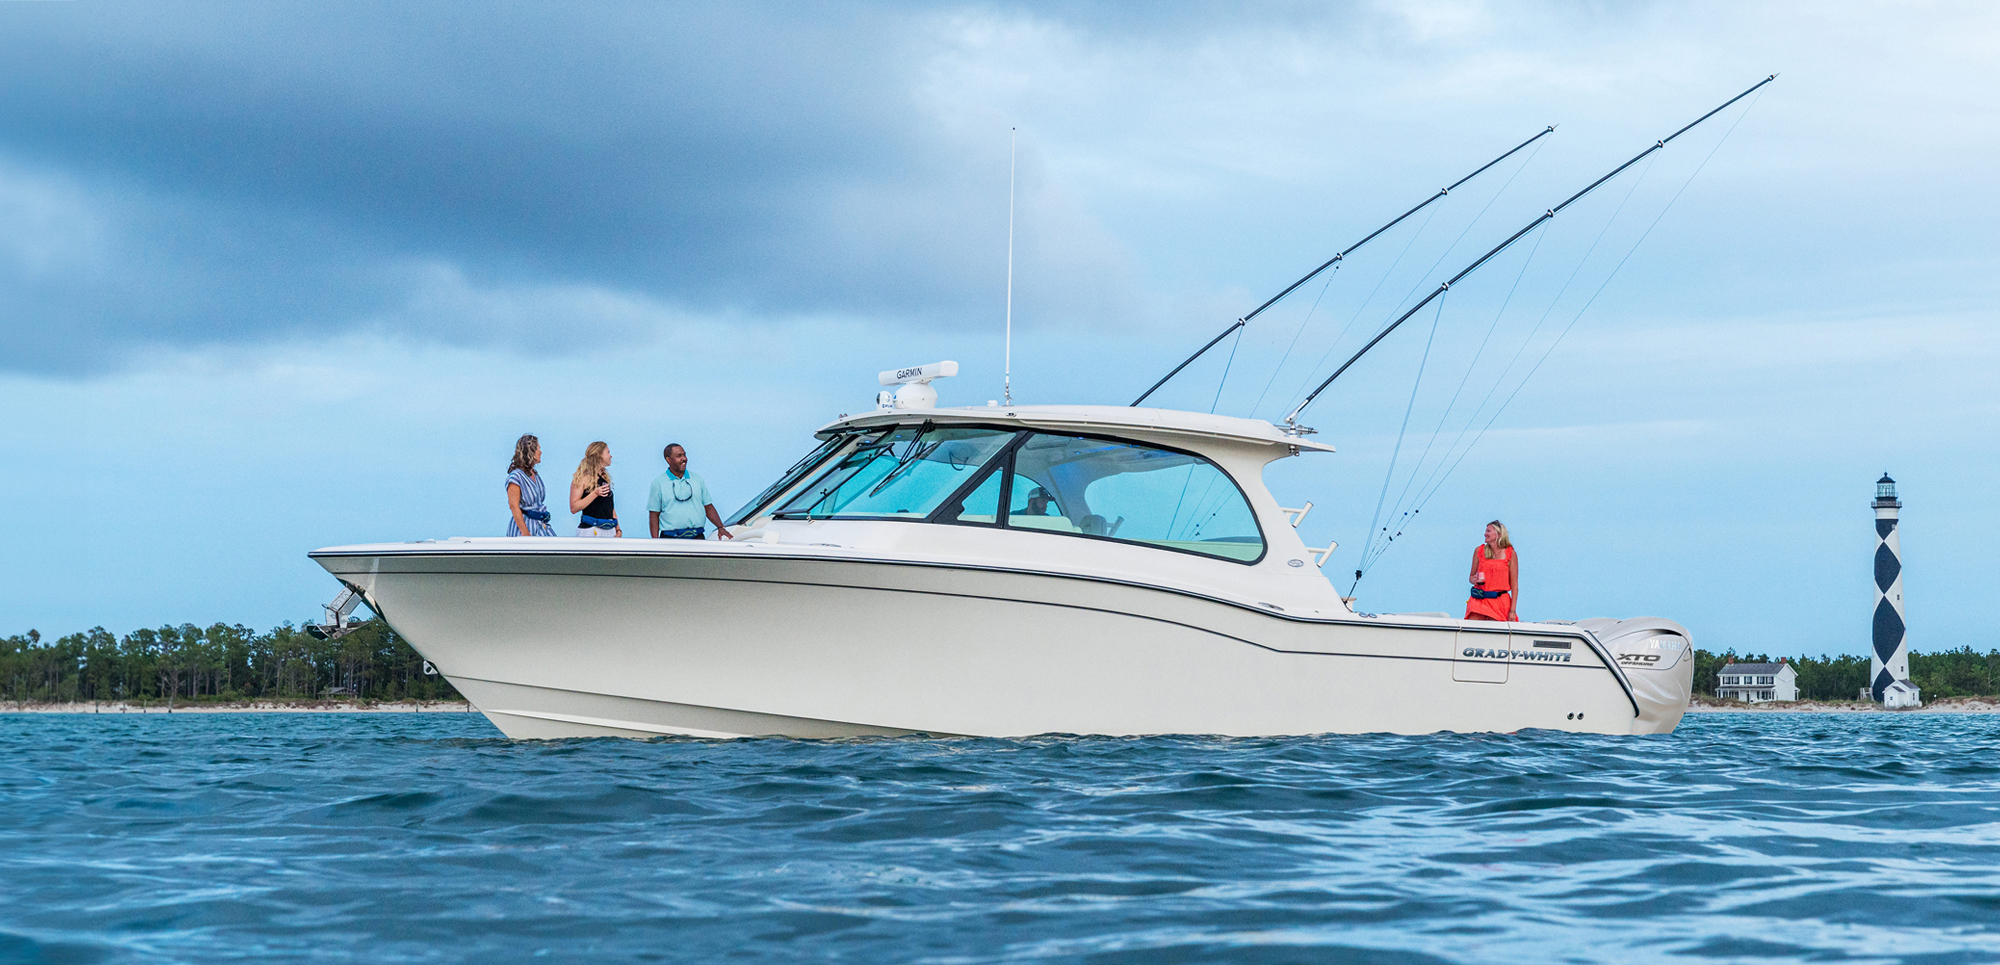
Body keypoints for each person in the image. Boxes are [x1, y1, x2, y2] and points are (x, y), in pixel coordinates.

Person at [648, 443, 732, 539]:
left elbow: (708, 506)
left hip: (697, 537)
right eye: (679, 456)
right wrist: (655, 541)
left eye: (684, 455)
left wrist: (720, 527)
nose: (684, 458)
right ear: (669, 460)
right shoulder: (658, 483)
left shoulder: (697, 479)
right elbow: (654, 514)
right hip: (670, 538)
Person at [1465, 520, 1519, 622]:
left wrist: (1512, 611)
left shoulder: (1510, 554)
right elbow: (1471, 577)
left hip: (1499, 602)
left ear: (1498, 534)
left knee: (1496, 634)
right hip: (1478, 601)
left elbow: (1514, 585)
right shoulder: (1479, 550)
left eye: (1488, 531)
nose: (1485, 534)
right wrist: (1474, 580)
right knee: (1473, 632)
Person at [505, 434, 556, 536]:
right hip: (525, 526)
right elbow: (514, 506)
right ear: (531, 452)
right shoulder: (516, 477)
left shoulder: (535, 475)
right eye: (538, 448)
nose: (540, 452)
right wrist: (525, 533)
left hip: (540, 524)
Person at [569, 441, 620, 537]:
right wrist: (594, 494)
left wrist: (618, 529)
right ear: (599, 455)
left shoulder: (604, 478)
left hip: (609, 529)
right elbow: (574, 507)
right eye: (608, 452)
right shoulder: (582, 477)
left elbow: (610, 506)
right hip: (591, 530)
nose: (611, 456)